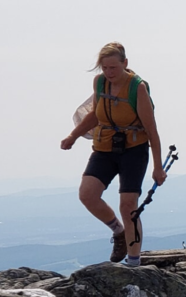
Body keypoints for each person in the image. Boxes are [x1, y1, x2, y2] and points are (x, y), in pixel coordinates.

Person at [60, 42, 166, 267]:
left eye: (113, 68)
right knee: (87, 194)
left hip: (134, 150)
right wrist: (73, 136)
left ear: (125, 64)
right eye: (104, 68)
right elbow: (95, 115)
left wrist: (158, 167)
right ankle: (118, 232)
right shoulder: (100, 83)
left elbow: (152, 130)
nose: (108, 73)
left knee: (128, 206)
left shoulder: (137, 88)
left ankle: (134, 262)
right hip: (105, 147)